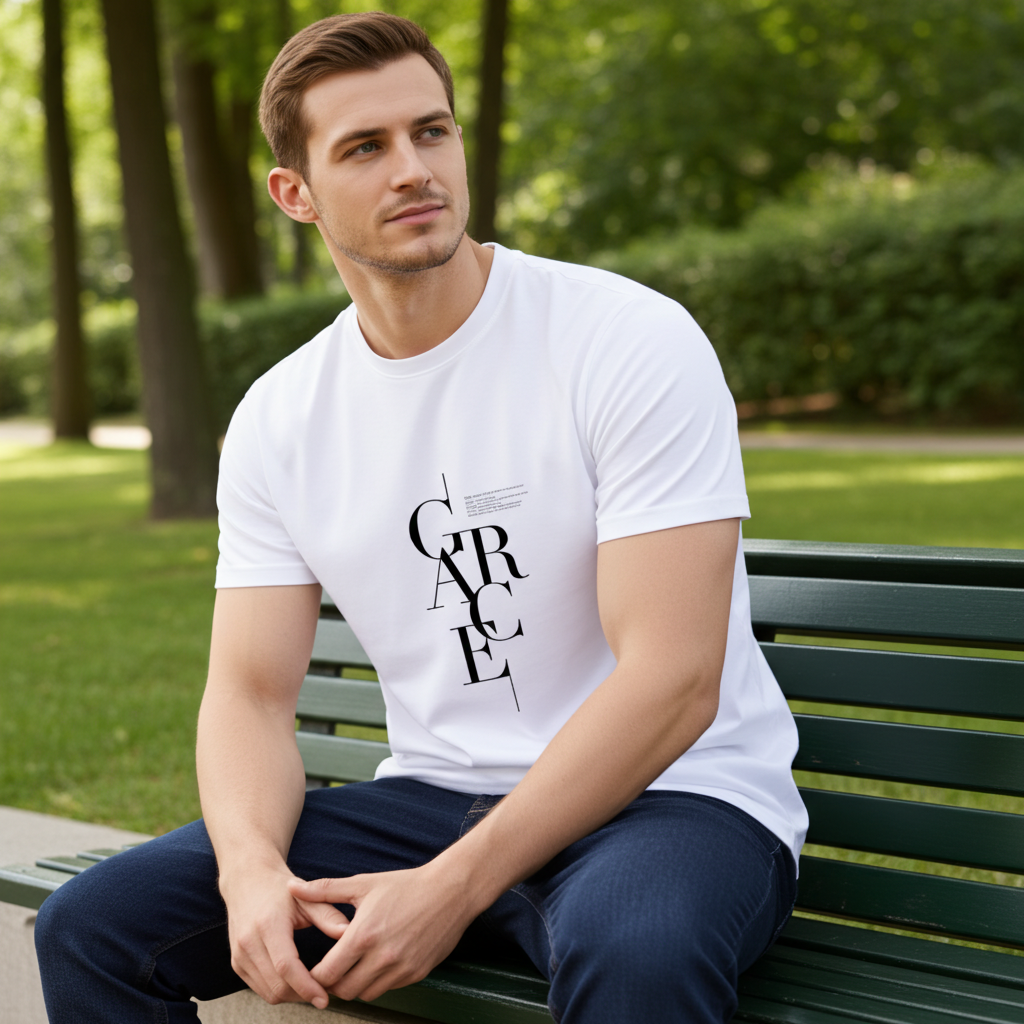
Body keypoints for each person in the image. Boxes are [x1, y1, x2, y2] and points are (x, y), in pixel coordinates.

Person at [35, 12, 807, 1023]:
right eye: (365, 147)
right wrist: (252, 871)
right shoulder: (281, 415)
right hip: (431, 798)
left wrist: (454, 886)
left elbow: (673, 682)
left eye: (430, 131)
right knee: (92, 928)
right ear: (294, 194)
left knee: (638, 955)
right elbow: (250, 695)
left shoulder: (623, 340)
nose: (413, 168)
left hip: (671, 798)